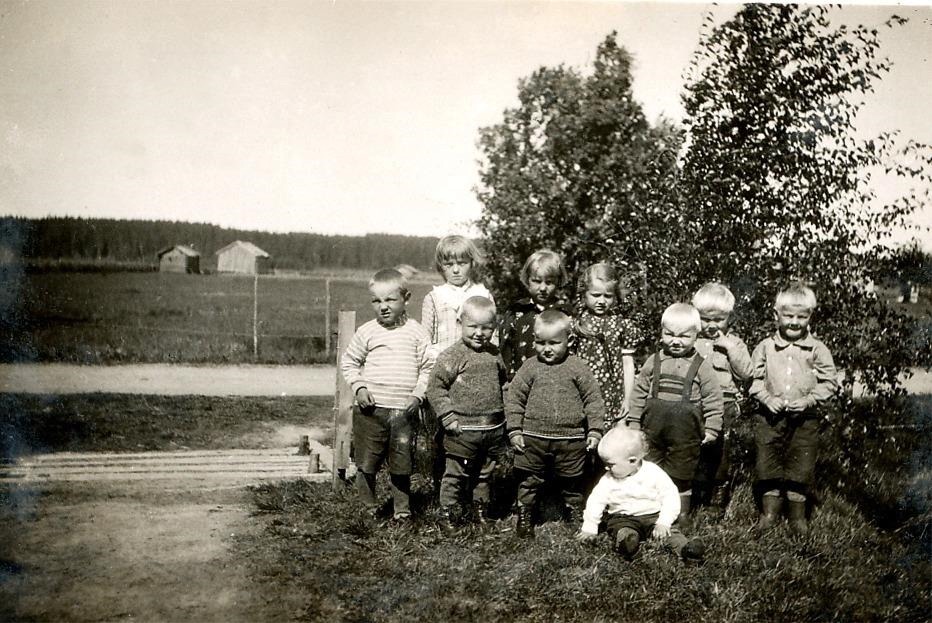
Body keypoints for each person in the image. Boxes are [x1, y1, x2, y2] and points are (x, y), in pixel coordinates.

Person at [340, 268, 433, 522]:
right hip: (371, 411)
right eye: (376, 301)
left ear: (406, 298)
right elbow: (349, 362)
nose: (383, 307)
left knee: (401, 463)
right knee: (366, 462)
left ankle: (402, 510)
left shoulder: (417, 332)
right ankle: (367, 507)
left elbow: (428, 367)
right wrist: (359, 387)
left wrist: (417, 395)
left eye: (390, 300)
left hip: (403, 412)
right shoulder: (367, 331)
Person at [505, 309, 605, 538]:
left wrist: (595, 430)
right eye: (540, 343)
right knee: (528, 479)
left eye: (553, 343)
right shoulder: (530, 367)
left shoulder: (578, 367)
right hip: (533, 436)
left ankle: (574, 513)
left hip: (570, 439)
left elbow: (593, 399)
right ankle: (526, 514)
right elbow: (515, 399)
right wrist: (514, 430)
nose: (546, 349)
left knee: (572, 480)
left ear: (568, 340)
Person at [627, 303, 724, 530]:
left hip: (685, 433)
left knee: (681, 473)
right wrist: (633, 422)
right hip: (652, 430)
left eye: (683, 336)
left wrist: (712, 428)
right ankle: (651, 510)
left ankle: (681, 513)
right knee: (650, 468)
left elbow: (713, 399)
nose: (675, 341)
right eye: (669, 334)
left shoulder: (702, 366)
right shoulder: (654, 361)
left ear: (696, 336)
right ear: (661, 333)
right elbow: (639, 392)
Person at [750, 283, 837, 536]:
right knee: (768, 464)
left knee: (801, 465)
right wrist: (766, 398)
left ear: (811, 316)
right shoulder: (765, 347)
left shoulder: (818, 349)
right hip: (769, 417)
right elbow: (753, 380)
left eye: (802, 316)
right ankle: (768, 515)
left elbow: (830, 382)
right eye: (788, 316)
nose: (795, 322)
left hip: (805, 420)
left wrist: (810, 399)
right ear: (776, 315)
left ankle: (798, 519)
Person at [426, 296, 507, 534]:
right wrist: (448, 417)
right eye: (473, 326)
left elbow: (502, 385)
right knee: (456, 473)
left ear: (494, 327)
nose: (480, 333)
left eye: (486, 328)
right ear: (461, 323)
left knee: (485, 474)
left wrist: (506, 418)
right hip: (461, 431)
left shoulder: (495, 354)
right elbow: (435, 387)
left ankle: (480, 510)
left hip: (491, 429)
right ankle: (448, 513)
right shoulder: (452, 355)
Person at [576, 427, 705, 562]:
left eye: (610, 464)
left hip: (653, 516)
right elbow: (596, 501)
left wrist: (663, 522)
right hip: (623, 518)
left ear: (632, 460)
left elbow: (670, 496)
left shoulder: (653, 473)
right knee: (622, 529)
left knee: (670, 534)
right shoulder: (608, 480)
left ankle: (687, 550)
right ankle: (627, 543)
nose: (606, 468)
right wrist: (590, 528)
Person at [690, 282, 754, 512]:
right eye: (705, 319)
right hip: (695, 400)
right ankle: (695, 493)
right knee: (694, 445)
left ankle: (717, 495)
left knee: (720, 449)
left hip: (724, 401)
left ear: (729, 318)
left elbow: (746, 372)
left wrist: (730, 349)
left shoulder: (734, 343)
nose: (711, 325)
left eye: (718, 320)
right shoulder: (692, 341)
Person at [571, 262, 644, 430]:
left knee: (611, 443)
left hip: (613, 394)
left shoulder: (621, 325)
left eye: (608, 296)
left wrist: (627, 399)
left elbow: (627, 362)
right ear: (584, 294)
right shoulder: (577, 325)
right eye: (596, 295)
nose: (602, 301)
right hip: (582, 394)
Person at [500, 249, 571, 380]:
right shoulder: (517, 311)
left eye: (549, 282)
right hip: (520, 381)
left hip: (555, 381)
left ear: (558, 281)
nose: (543, 288)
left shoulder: (564, 312)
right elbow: (505, 348)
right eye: (537, 281)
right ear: (527, 280)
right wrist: (507, 378)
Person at [421, 235, 495, 359]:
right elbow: (424, 339)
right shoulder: (434, 298)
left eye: (462, 263)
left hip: (476, 363)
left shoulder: (483, 294)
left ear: (472, 263)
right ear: (441, 266)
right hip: (441, 364)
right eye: (449, 264)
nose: (455, 270)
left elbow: (494, 335)